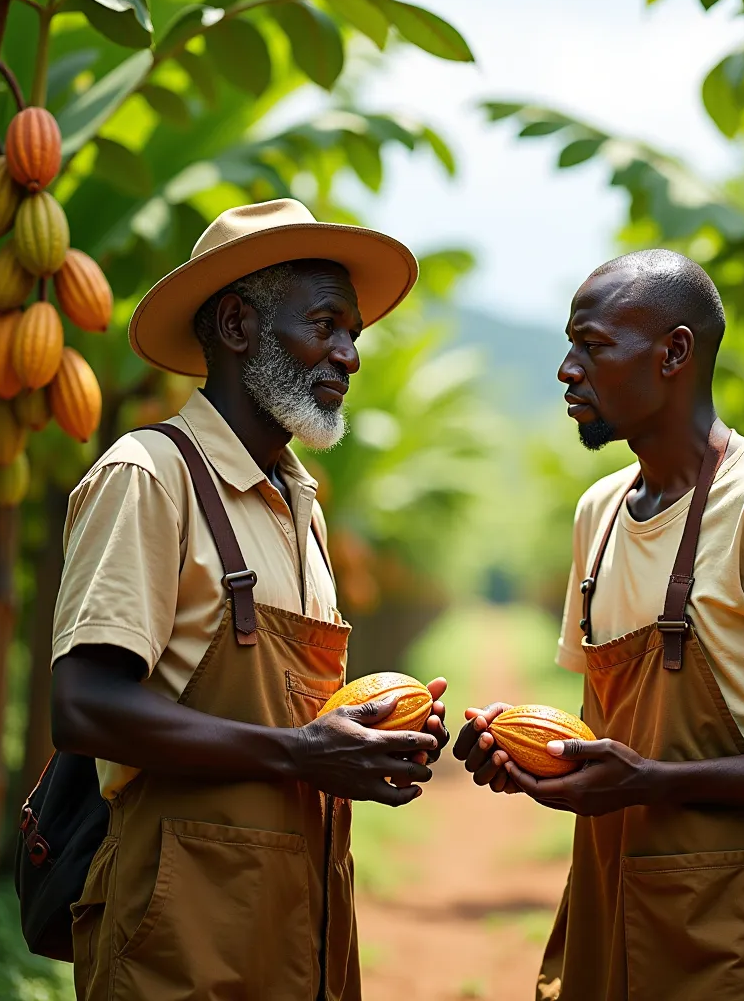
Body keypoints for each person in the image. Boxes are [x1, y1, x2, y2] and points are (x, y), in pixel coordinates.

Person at [454, 249, 744, 999]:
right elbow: (620, 735)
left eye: (592, 345)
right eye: (568, 345)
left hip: (738, 927)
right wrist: (529, 753)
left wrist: (653, 783)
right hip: (608, 904)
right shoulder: (597, 516)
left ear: (675, 352)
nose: (566, 369)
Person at [50, 199, 448, 1000]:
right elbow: (83, 706)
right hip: (180, 936)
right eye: (326, 325)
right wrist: (302, 753)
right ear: (237, 325)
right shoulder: (148, 478)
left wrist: (375, 741)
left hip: (305, 923)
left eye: (354, 335)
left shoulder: (303, 507)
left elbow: (295, 718)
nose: (349, 355)